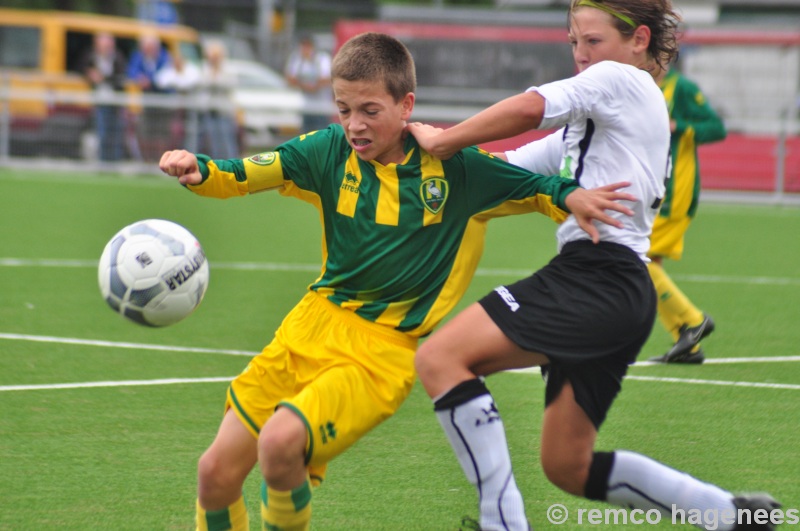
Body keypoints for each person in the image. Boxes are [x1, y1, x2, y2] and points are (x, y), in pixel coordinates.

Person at [159, 32, 635, 531]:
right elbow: (246, 171)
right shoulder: (325, 151)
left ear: (405, 105)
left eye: (369, 110)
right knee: (214, 473)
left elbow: (536, 187)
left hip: (379, 355)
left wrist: (573, 197)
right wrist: (199, 170)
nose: (354, 126)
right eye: (343, 110)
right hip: (308, 327)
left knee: (280, 445)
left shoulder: (455, 169)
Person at [407, 1, 780, 530]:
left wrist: (442, 139)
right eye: (573, 43)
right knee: (567, 466)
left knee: (441, 358)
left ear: (639, 40)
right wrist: (410, 163)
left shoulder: (621, 81)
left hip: (597, 277)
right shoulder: (601, 121)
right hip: (617, 290)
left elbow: (534, 104)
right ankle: (730, 517)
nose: (582, 56)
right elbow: (504, 172)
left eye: (593, 42)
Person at [646, 64, 727, 364]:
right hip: (653, 191)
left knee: (633, 257)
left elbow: (716, 128)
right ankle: (687, 342)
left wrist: (679, 126)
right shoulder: (639, 85)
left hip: (675, 192)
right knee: (648, 264)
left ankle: (693, 321)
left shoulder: (681, 89)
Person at [78, 32, 128, 162]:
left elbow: (121, 77)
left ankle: (115, 161)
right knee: (102, 132)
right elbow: (80, 67)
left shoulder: (117, 57)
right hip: (99, 101)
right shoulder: (91, 56)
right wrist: (90, 74)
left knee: (116, 132)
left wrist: (102, 78)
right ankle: (103, 160)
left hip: (116, 101)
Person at [127, 32, 174, 161]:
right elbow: (132, 71)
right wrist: (139, 78)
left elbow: (166, 75)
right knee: (146, 132)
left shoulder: (165, 57)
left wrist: (151, 81)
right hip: (147, 103)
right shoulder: (139, 57)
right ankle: (148, 161)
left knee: (162, 133)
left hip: (163, 102)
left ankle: (163, 160)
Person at [195, 41, 240, 159]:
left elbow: (227, 84)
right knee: (213, 143)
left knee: (227, 142)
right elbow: (202, 82)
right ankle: (218, 167)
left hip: (224, 112)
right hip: (209, 111)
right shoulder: (205, 68)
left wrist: (215, 77)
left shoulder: (228, 69)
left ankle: (232, 165)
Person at [284, 33, 333, 133]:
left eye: (308, 46)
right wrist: (308, 86)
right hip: (305, 106)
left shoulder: (322, 59)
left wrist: (307, 85)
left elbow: (327, 79)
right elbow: (289, 79)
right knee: (306, 135)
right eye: (303, 46)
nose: (305, 49)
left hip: (322, 107)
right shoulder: (297, 59)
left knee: (321, 135)